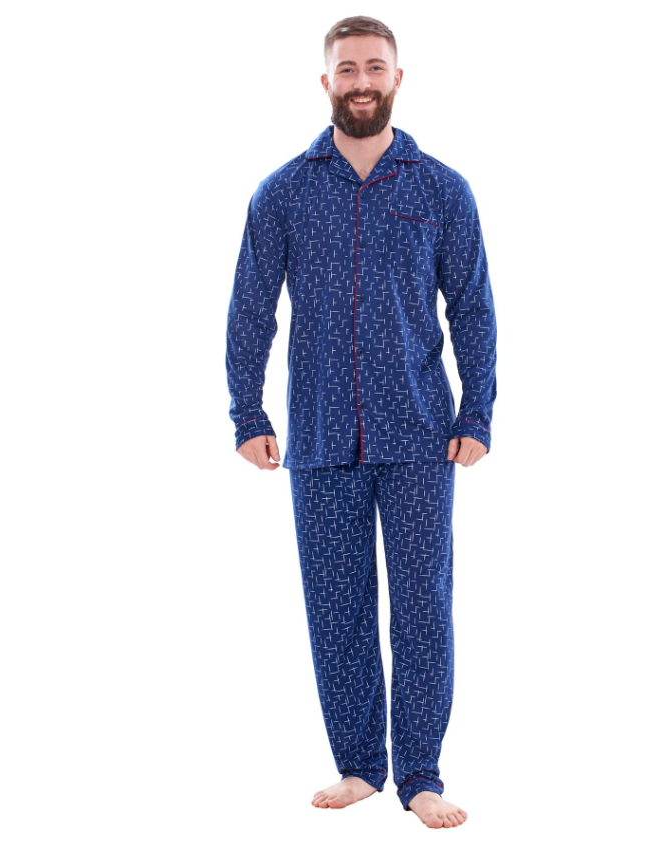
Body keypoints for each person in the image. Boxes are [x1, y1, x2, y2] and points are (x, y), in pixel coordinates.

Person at [225, 15, 497, 829]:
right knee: (336, 609)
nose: (361, 81)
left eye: (374, 67)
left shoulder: (441, 189)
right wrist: (248, 411)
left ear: (397, 78)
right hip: (316, 435)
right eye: (347, 69)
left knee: (422, 608)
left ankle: (420, 773)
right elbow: (250, 310)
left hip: (420, 433)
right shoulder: (282, 192)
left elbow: (473, 307)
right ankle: (358, 767)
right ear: (326, 82)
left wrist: (477, 409)